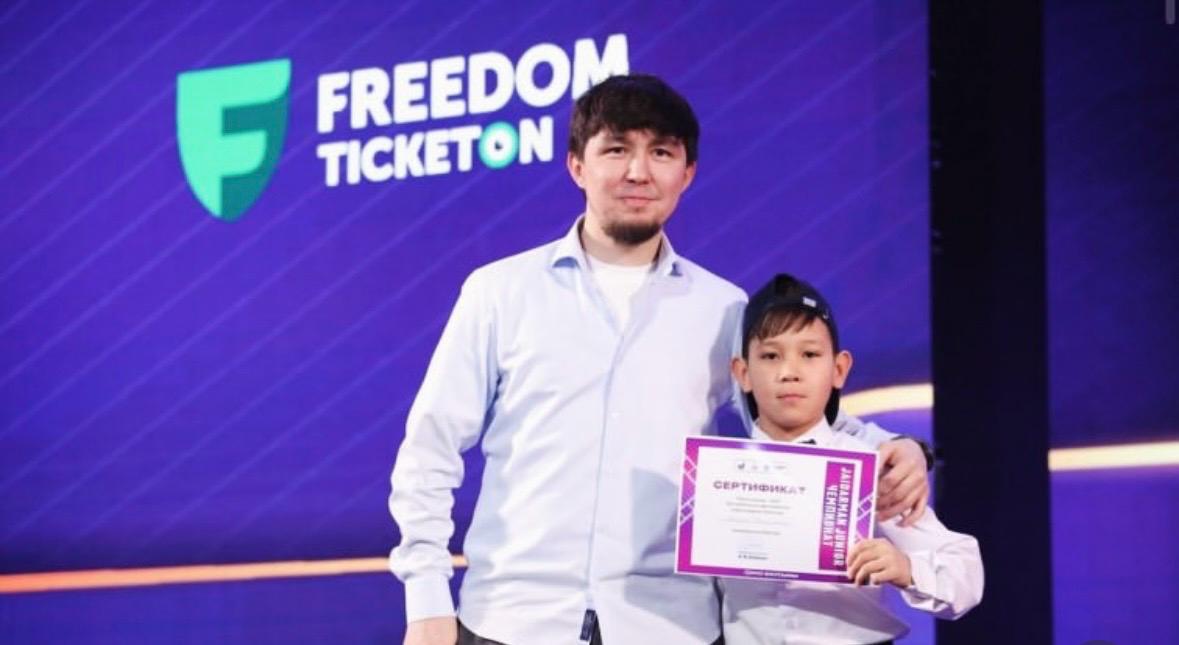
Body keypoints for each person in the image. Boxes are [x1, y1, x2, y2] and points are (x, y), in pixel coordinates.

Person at [389, 74, 931, 645]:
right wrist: (426, 598)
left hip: (668, 625)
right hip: (512, 619)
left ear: (687, 173)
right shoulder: (500, 291)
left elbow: (795, 416)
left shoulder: (722, 307)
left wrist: (902, 450)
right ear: (576, 165)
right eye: (616, 149)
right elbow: (430, 447)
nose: (638, 171)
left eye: (661, 153)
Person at [721, 274, 984, 644]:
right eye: (770, 356)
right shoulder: (715, 475)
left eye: (809, 355)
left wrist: (905, 568)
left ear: (839, 369)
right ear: (743, 373)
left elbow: (965, 574)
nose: (789, 372)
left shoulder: (868, 469)